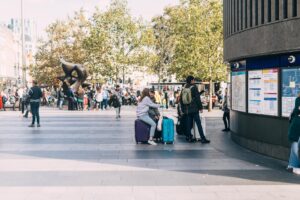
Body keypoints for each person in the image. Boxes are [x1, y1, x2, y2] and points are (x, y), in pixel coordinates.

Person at [180, 76, 210, 143]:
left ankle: (189, 137)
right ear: (191, 81)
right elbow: (197, 98)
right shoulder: (194, 87)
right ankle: (203, 138)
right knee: (198, 124)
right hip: (194, 110)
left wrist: (183, 109)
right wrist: (201, 108)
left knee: (188, 124)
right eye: (193, 80)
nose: (194, 81)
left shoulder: (184, 88)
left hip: (187, 110)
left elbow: (181, 100)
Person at [287, 94, 300, 175]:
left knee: (295, 146)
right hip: (296, 127)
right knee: (295, 146)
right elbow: (296, 110)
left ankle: (292, 165)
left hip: (296, 125)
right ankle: (292, 165)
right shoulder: (298, 99)